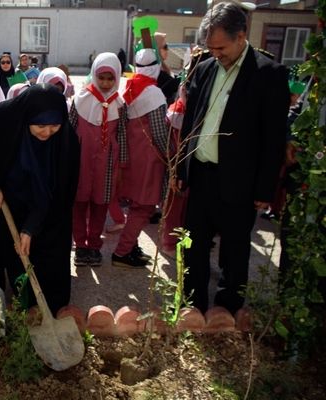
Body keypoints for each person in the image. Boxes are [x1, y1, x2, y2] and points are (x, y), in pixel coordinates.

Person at [179, 2, 289, 314]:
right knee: (193, 245)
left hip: (240, 181)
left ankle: (227, 309)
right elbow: (192, 121)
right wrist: (182, 168)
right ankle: (192, 304)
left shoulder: (269, 74)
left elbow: (273, 139)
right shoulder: (204, 68)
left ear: (241, 36)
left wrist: (265, 189)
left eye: (221, 47)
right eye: (210, 48)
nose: (216, 53)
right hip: (201, 174)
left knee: (236, 248)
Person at [0, 84, 80, 315]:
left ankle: (48, 306)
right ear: (26, 119)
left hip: (48, 206)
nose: (47, 133)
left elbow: (58, 192)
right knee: (11, 250)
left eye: (54, 126)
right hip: (9, 201)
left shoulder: (65, 142)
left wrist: (32, 227)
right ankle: (16, 300)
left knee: (47, 252)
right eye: (40, 125)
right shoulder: (3, 124)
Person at [112, 48, 169, 268]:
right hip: (149, 158)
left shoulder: (131, 86)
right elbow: (158, 131)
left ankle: (130, 247)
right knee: (143, 208)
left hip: (133, 157)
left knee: (137, 205)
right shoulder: (153, 93)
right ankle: (122, 252)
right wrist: (170, 157)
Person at [70, 53, 125, 267]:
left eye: (110, 79)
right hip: (81, 162)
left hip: (107, 164)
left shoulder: (120, 104)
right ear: (94, 74)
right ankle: (80, 246)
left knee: (100, 206)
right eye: (101, 77)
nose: (105, 83)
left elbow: (122, 135)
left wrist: (122, 164)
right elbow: (70, 128)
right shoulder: (80, 100)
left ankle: (94, 245)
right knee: (79, 204)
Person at [154, 32, 180, 105]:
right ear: (156, 49)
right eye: (165, 47)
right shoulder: (155, 71)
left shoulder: (162, 67)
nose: (167, 50)